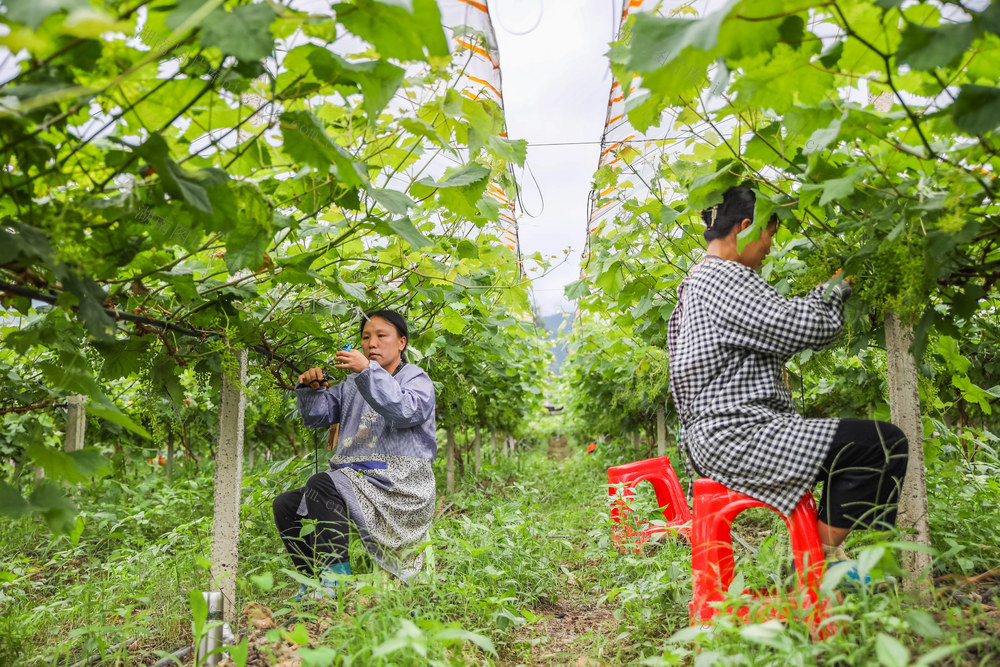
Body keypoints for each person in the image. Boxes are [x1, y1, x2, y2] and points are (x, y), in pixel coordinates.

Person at [666, 185, 908, 574]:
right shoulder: (723, 279)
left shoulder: (697, 282)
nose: (769, 248)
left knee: (850, 450)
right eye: (770, 234)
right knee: (882, 445)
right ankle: (816, 564)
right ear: (746, 226)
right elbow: (800, 326)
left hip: (720, 437)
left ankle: (816, 553)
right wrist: (838, 284)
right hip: (738, 437)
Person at [272, 309, 437, 597]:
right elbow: (317, 417)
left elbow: (403, 411)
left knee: (322, 484)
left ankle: (334, 584)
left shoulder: (415, 378)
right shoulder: (352, 384)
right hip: (358, 479)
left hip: (400, 483)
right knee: (286, 505)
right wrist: (310, 388)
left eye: (381, 336)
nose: (371, 343)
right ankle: (311, 581)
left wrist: (366, 371)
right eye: (365, 337)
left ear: (401, 343)